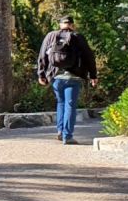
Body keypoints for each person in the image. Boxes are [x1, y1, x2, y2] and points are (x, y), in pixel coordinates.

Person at [36, 15, 98, 145]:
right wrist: (93, 75)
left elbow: (42, 56)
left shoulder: (51, 36)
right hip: (73, 77)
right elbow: (89, 56)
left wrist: (41, 75)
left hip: (56, 77)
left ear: (60, 25)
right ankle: (67, 136)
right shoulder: (78, 37)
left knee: (61, 103)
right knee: (70, 105)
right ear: (72, 25)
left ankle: (60, 131)